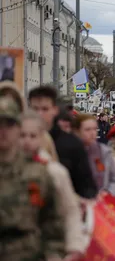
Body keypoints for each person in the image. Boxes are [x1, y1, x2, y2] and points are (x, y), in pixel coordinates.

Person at [0, 97, 65, 260]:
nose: (3, 131)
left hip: (27, 253)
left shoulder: (37, 173)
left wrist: (54, 255)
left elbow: (53, 224)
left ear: (17, 129)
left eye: (9, 125)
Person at [20, 111, 85, 260]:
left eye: (32, 136)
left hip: (48, 250)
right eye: (22, 135)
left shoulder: (55, 172)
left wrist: (74, 245)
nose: (27, 141)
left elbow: (70, 210)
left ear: (42, 137)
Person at [28, 86, 98, 199]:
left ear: (55, 110)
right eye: (35, 109)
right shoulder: (18, 140)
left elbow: (86, 186)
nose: (39, 114)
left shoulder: (72, 144)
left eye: (45, 109)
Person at [72, 114, 115, 196]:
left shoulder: (105, 152)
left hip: (103, 201)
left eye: (95, 129)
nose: (92, 133)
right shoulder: (70, 152)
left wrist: (108, 193)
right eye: (87, 130)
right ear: (77, 131)